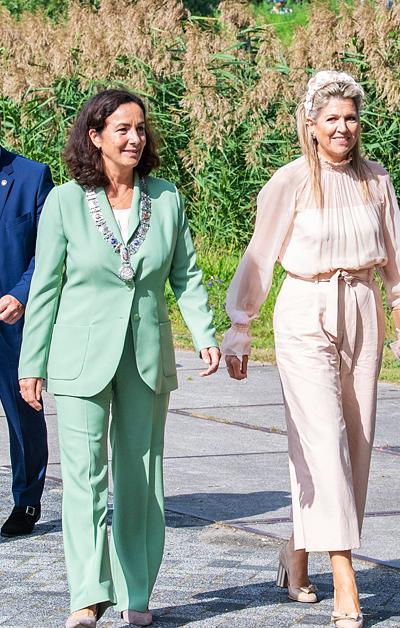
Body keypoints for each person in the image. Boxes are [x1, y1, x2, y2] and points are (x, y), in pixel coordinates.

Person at [221, 70, 400, 628]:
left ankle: (297, 549)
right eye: (332, 118)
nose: (343, 128)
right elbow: (259, 257)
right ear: (310, 125)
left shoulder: (376, 180)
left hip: (362, 305)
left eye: (350, 117)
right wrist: (240, 325)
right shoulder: (288, 181)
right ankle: (345, 577)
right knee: (321, 440)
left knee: (357, 442)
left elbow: (398, 258)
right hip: (304, 310)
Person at [17, 89, 221, 628]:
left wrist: (203, 332)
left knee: (141, 474)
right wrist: (30, 363)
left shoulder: (168, 198)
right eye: (123, 129)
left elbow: (186, 274)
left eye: (140, 129)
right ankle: (87, 593)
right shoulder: (64, 201)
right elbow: (45, 287)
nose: (135, 138)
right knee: (83, 477)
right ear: (96, 137)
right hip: (80, 357)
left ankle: (136, 593)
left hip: (147, 357)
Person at [0, 146, 54, 538]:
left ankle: (27, 499)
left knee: (23, 414)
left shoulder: (32, 175)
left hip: (11, 317)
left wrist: (22, 292)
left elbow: (48, 250)